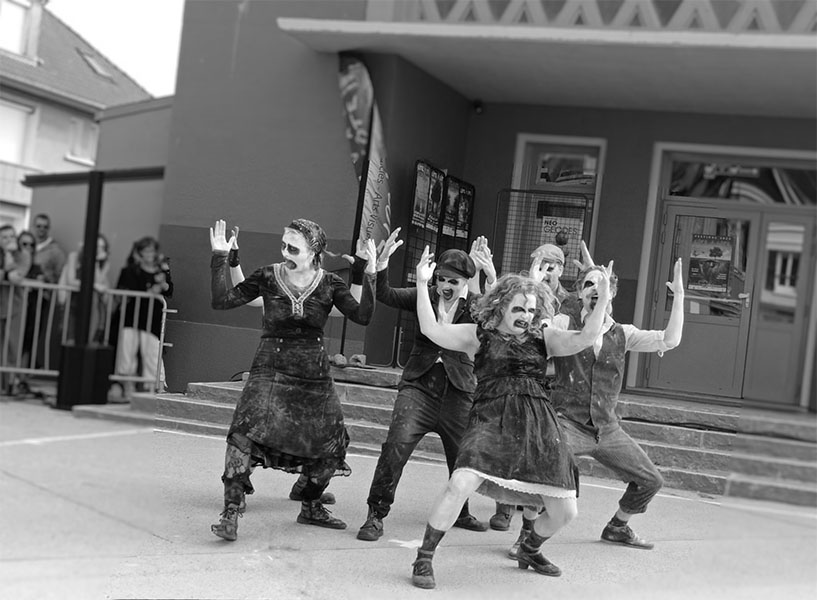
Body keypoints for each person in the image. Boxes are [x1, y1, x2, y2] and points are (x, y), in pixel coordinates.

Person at [409, 246, 611, 589]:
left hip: (539, 424)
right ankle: (424, 558)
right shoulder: (479, 335)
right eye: (519, 308)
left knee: (566, 512)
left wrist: (603, 296)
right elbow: (431, 329)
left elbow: (587, 336)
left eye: (531, 310)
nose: (526, 316)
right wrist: (420, 283)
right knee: (460, 483)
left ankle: (529, 548)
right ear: (501, 306)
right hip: (491, 417)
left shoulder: (543, 338)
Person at [209, 218, 378, 541]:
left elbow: (363, 316)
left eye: (293, 247)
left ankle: (311, 504)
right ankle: (231, 512)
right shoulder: (268, 276)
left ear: (315, 251)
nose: (284, 252)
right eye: (283, 245)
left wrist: (369, 273)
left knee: (331, 442)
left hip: (313, 374)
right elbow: (222, 301)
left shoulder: (329, 284)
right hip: (269, 366)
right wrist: (220, 257)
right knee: (242, 433)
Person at [506, 257, 685, 556]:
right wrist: (535, 286)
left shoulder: (623, 333)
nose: (596, 288)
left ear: (612, 294)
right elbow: (537, 328)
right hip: (566, 421)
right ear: (579, 294)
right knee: (545, 468)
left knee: (651, 480)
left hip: (606, 428)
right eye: (589, 283)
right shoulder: (565, 322)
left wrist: (678, 296)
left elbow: (670, 339)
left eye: (602, 284)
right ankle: (527, 533)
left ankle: (618, 526)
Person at [356, 230, 489, 543]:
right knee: (396, 444)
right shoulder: (423, 293)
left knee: (464, 456)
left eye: (453, 282)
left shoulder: (477, 308)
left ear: (466, 284)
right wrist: (382, 265)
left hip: (458, 390)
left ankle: (461, 510)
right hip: (419, 386)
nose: (444, 287)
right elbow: (386, 294)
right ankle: (376, 514)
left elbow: (499, 317)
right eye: (441, 279)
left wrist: (489, 274)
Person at [489, 242, 577, 531]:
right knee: (508, 445)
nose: (545, 268)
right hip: (517, 381)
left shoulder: (571, 300)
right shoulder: (520, 291)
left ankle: (533, 519)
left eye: (551, 264)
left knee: (539, 450)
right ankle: (504, 507)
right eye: (539, 261)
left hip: (551, 382)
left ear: (561, 269)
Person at [114, 236, 173, 397]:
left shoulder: (160, 270)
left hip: (152, 319)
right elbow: (128, 291)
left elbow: (169, 290)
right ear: (139, 253)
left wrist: (162, 283)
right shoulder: (131, 270)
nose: (149, 254)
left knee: (153, 353)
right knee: (128, 353)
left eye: (152, 250)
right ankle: (128, 388)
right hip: (131, 317)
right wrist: (152, 290)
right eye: (146, 251)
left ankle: (152, 389)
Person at [58, 234, 111, 345]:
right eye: (96, 246)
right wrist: (94, 286)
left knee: (90, 342)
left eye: (102, 247)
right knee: (70, 340)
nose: (99, 250)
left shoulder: (105, 263)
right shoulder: (74, 256)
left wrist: (96, 263)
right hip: (73, 302)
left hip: (94, 306)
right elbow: (71, 281)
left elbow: (100, 282)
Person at [0, 225, 32, 394]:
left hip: (15, 306)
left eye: (12, 236)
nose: (9, 240)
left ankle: (8, 384)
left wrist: (8, 256)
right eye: (4, 237)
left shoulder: (24, 255)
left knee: (12, 346)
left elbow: (16, 277)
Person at [31, 214, 65, 285]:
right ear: (33, 226)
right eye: (38, 226)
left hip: (43, 292)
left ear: (49, 228)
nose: (42, 229)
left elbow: (59, 276)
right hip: (22, 292)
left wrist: (46, 278)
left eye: (45, 227)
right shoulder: (28, 245)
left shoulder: (56, 251)